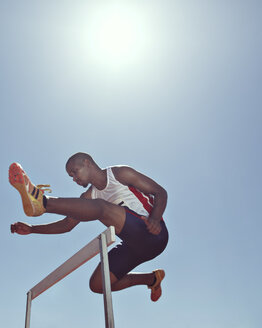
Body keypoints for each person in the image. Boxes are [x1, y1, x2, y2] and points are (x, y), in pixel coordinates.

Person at [9, 152, 169, 302]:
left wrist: (155, 218)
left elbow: (160, 192)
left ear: (87, 163)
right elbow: (67, 225)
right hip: (133, 246)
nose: (74, 178)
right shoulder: (88, 196)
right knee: (98, 285)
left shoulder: (120, 174)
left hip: (153, 235)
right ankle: (152, 279)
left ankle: (43, 202)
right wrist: (32, 229)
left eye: (74, 172)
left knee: (101, 207)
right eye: (71, 176)